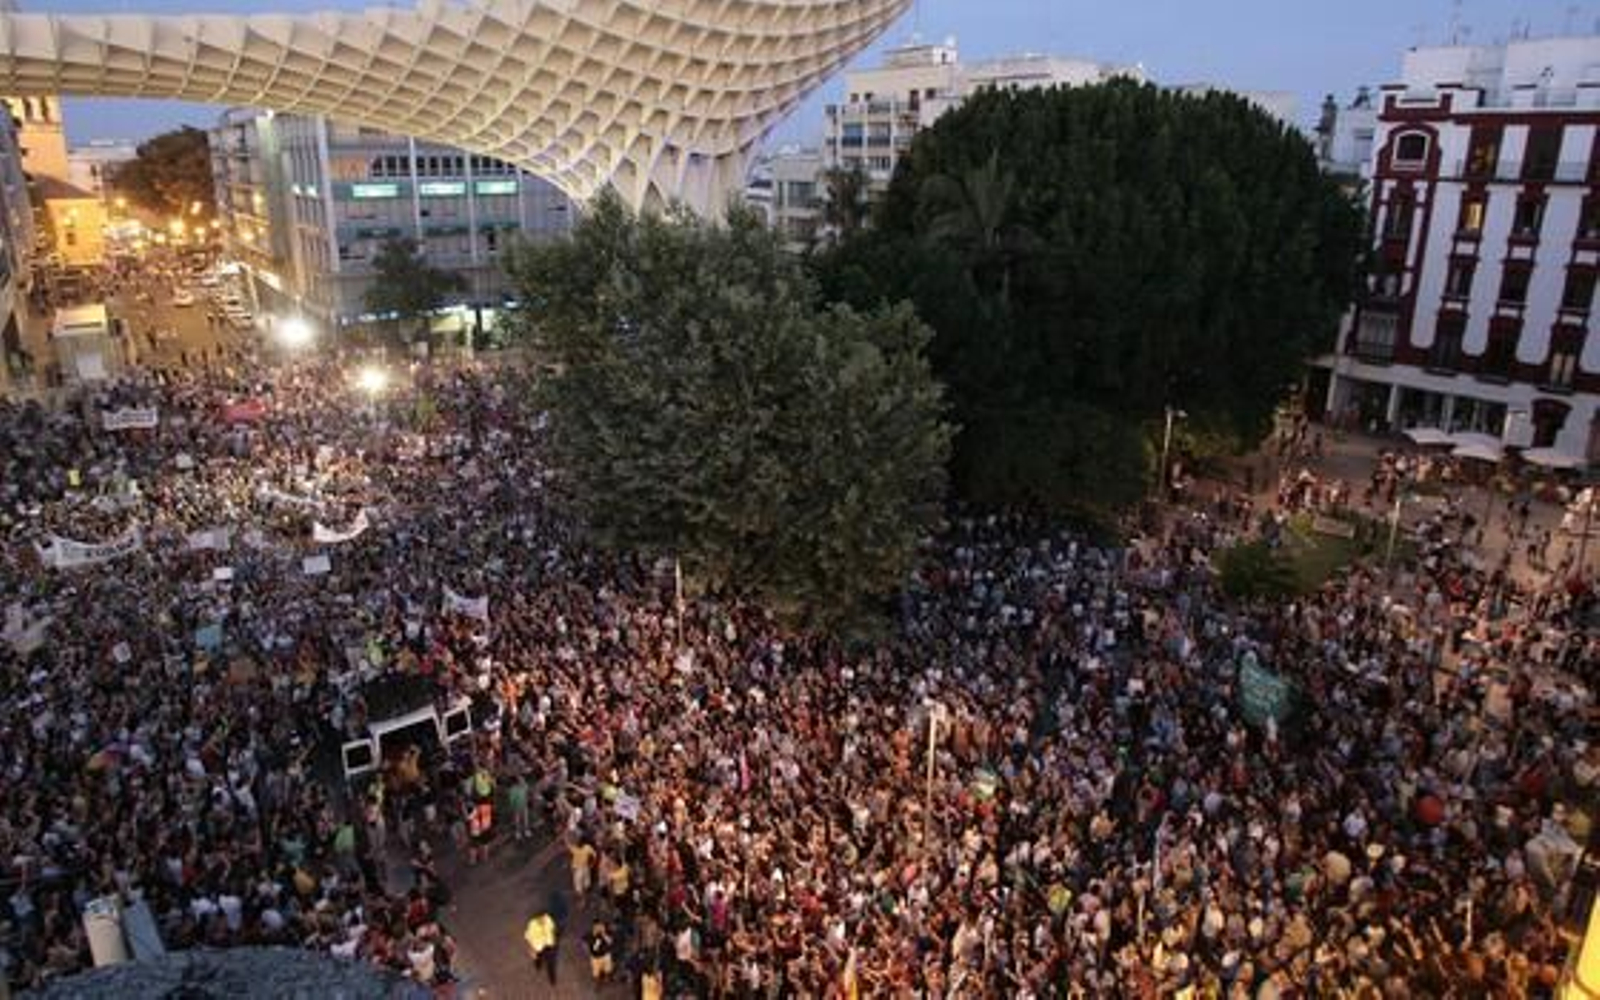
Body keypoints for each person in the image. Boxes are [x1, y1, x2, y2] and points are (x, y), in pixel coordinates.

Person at [524, 908, 558, 987]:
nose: (541, 920)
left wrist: (553, 938)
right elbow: (528, 936)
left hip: (549, 945)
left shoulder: (548, 919)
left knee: (550, 963)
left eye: (542, 918)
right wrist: (531, 948)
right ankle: (538, 964)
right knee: (538, 957)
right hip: (538, 946)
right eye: (539, 919)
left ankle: (552, 979)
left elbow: (553, 928)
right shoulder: (532, 924)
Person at [587, 918, 614, 983]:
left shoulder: (605, 933)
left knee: (608, 970)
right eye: (597, 926)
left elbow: (610, 941)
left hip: (605, 955)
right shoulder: (590, 935)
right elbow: (594, 948)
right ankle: (598, 983)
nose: (599, 928)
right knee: (596, 974)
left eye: (601, 926)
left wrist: (604, 934)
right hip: (596, 957)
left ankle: (608, 978)